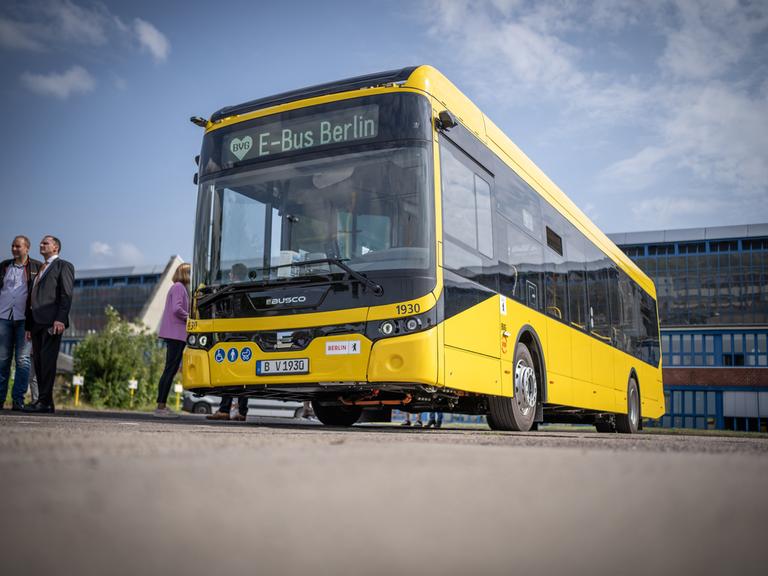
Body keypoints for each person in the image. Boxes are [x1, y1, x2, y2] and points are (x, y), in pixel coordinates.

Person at [23, 235, 74, 414]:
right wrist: (28, 326)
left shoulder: (63, 266)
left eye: (45, 243)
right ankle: (44, 402)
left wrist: (60, 318)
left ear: (56, 248)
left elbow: (66, 295)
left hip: (52, 322)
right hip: (36, 323)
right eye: (41, 242)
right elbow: (32, 298)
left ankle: (44, 402)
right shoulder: (40, 268)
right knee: (38, 363)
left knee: (47, 363)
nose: (41, 245)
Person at [0, 236, 42, 410]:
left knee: (23, 360)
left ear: (27, 248)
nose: (14, 249)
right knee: (2, 360)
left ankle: (18, 400)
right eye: (12, 246)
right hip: (3, 318)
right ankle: (0, 399)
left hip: (25, 321)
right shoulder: (4, 266)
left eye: (18, 246)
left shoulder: (37, 267)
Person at [154, 263, 190, 417]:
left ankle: (161, 406)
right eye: (190, 272)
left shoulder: (179, 287)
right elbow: (177, 309)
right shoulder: (179, 287)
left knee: (170, 370)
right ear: (186, 273)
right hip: (176, 335)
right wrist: (190, 317)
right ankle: (160, 407)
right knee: (169, 370)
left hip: (176, 335)